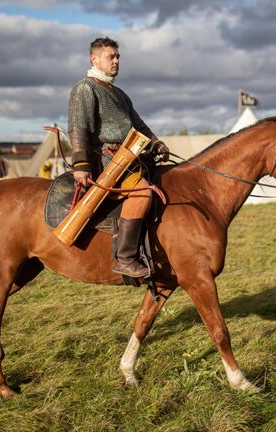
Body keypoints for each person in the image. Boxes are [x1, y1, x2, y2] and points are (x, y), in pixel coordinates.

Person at [68, 37, 169, 278]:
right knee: (143, 192)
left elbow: (140, 126)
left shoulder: (119, 93)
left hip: (131, 158)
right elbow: (78, 128)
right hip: (106, 161)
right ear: (94, 59)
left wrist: (157, 144)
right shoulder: (85, 88)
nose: (116, 61)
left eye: (118, 57)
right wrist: (81, 165)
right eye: (110, 57)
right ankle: (125, 258)